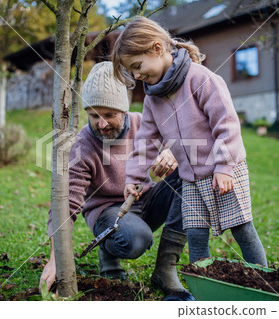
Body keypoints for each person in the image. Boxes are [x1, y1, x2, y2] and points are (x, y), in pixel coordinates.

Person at [111, 17, 268, 266]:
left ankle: (262, 282)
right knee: (195, 233)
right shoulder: (153, 99)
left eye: (138, 65)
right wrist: (134, 177)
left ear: (157, 48)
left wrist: (225, 167)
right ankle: (202, 284)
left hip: (224, 171)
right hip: (190, 179)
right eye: (132, 71)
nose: (137, 74)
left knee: (241, 229)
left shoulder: (201, 80)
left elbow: (227, 125)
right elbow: (146, 142)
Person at [39, 61, 194, 301]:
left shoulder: (142, 123)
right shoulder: (82, 147)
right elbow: (67, 204)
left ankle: (165, 269)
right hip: (107, 212)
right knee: (136, 239)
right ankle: (108, 249)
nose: (101, 124)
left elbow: (182, 143)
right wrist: (54, 257)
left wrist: (173, 152)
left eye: (109, 115)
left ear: (123, 110)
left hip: (144, 200)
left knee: (191, 173)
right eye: (94, 116)